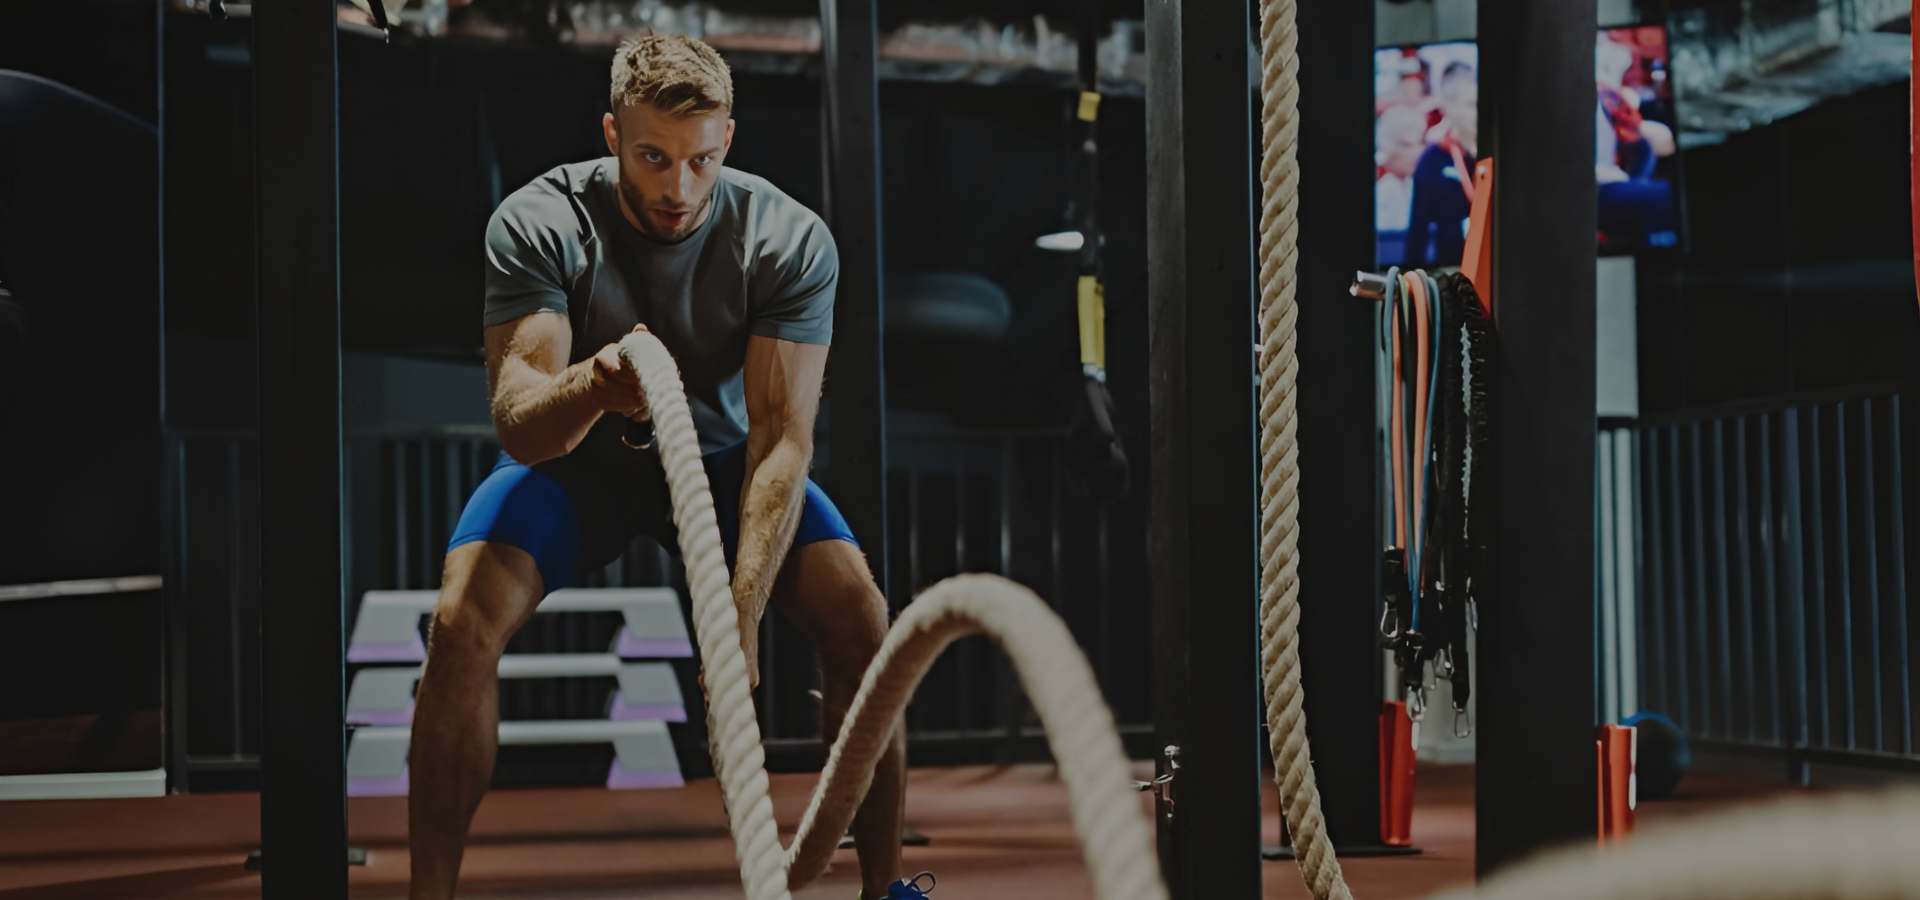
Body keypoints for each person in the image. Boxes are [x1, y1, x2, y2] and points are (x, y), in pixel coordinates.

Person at [407, 34, 927, 900]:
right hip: (581, 466)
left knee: (863, 623)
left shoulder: (788, 239)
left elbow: (781, 439)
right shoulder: (542, 222)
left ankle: (887, 893)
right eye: (653, 156)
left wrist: (742, 612)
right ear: (613, 136)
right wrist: (594, 384)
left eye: (701, 159)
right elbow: (523, 430)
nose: (678, 188)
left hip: (727, 462)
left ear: (729, 140)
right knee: (461, 624)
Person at [1405, 61, 1477, 268]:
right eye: (1471, 105)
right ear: (1449, 107)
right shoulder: (1432, 160)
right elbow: (1418, 231)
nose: (1476, 114)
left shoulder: (1492, 154)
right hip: (1452, 272)